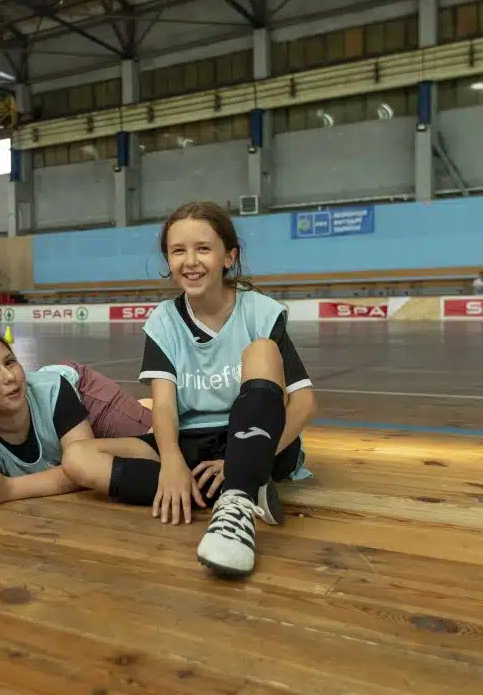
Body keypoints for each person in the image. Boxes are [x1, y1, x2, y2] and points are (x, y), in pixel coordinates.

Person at [62, 201, 316, 578]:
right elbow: (163, 407)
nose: (190, 261)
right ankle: (242, 488)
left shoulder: (261, 312)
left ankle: (237, 498)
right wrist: (172, 463)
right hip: (188, 442)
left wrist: (240, 460)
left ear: (229, 256)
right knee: (77, 458)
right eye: (178, 251)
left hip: (253, 435)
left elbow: (305, 402)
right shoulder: (163, 320)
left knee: (262, 351)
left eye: (203, 248)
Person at [0, 331, 152, 511]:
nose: (9, 377)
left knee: (154, 444)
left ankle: (143, 408)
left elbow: (83, 470)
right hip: (58, 427)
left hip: (83, 393)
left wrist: (10, 489)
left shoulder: (54, 390)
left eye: (10, 362)